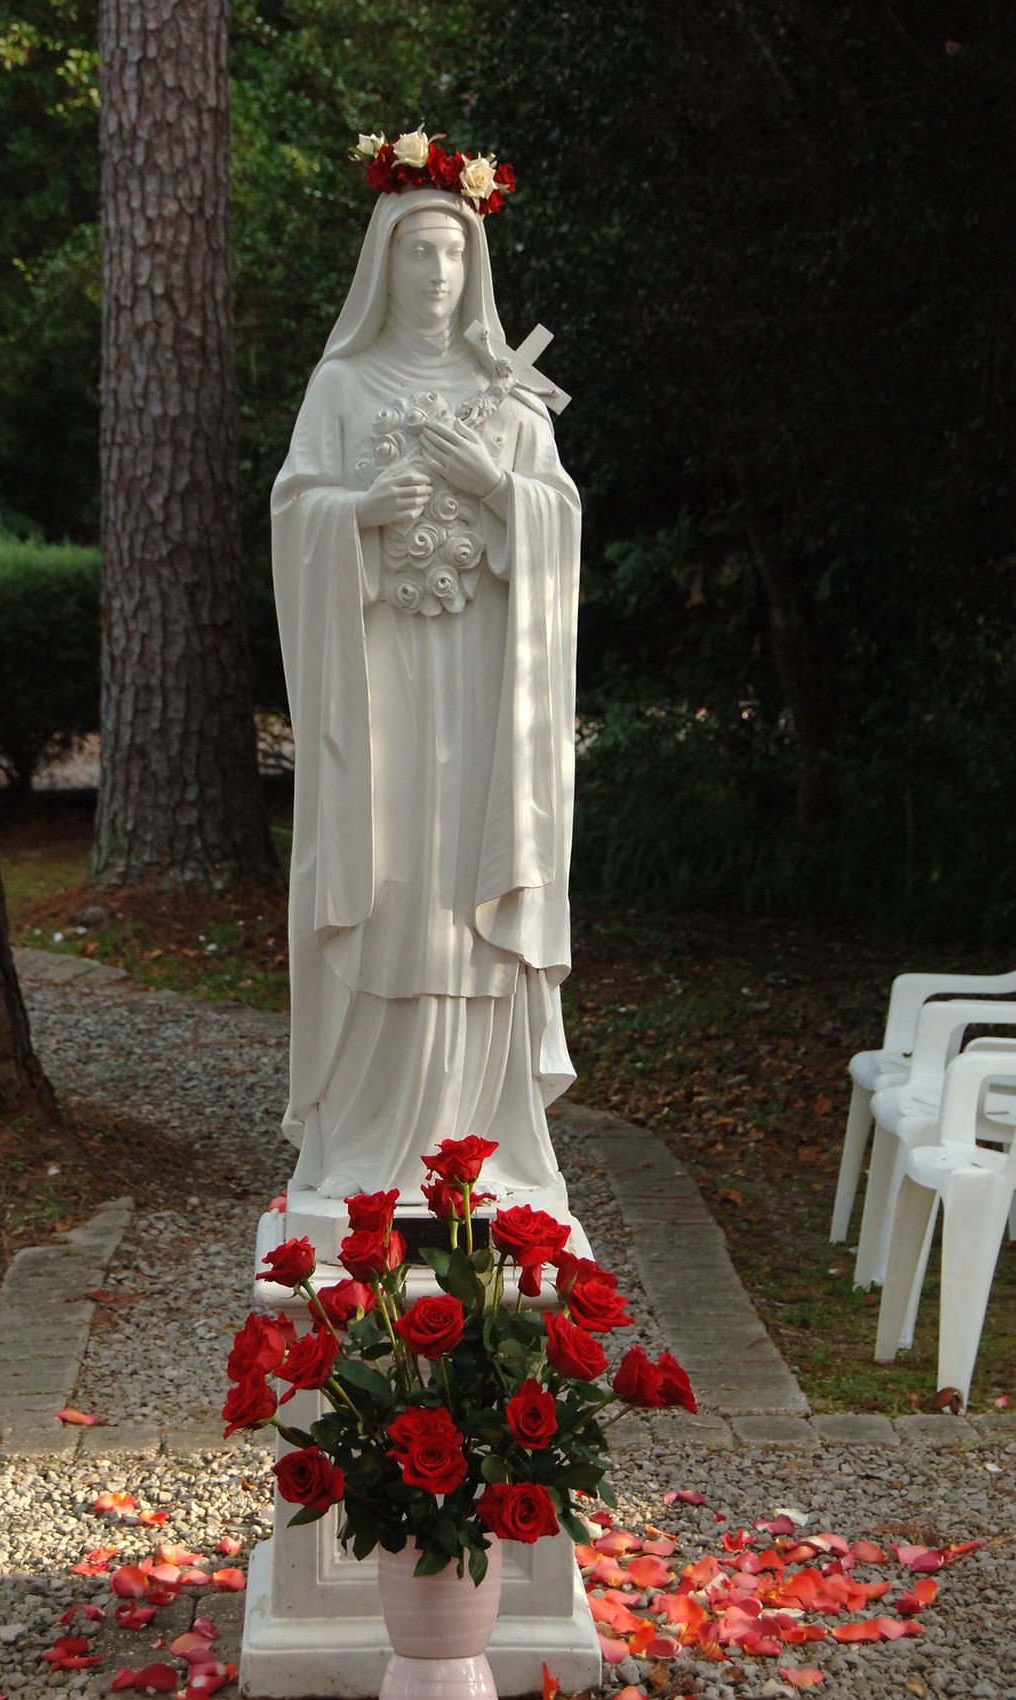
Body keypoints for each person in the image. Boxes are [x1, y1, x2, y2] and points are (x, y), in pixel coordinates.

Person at [272, 131, 581, 1205]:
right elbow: (295, 513)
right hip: (381, 686)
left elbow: (558, 527)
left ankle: (473, 1140)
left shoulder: (511, 394)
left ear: (473, 265)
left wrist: (496, 488)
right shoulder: (342, 386)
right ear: (385, 261)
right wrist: (358, 512)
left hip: (485, 687)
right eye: (418, 250)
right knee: (388, 876)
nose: (437, 270)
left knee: (469, 879)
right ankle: (368, 1139)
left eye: (454, 252)